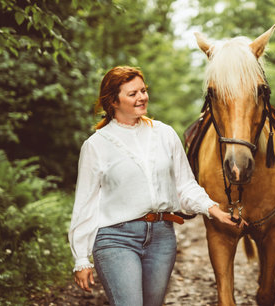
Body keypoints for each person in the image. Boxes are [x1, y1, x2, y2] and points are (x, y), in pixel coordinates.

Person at [68, 66, 246, 306]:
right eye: (132, 94)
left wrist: (215, 211)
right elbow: (85, 204)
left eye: (143, 90)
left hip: (162, 238)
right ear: (113, 101)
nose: (142, 97)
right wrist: (81, 258)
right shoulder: (96, 145)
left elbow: (184, 186)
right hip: (116, 238)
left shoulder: (165, 134)